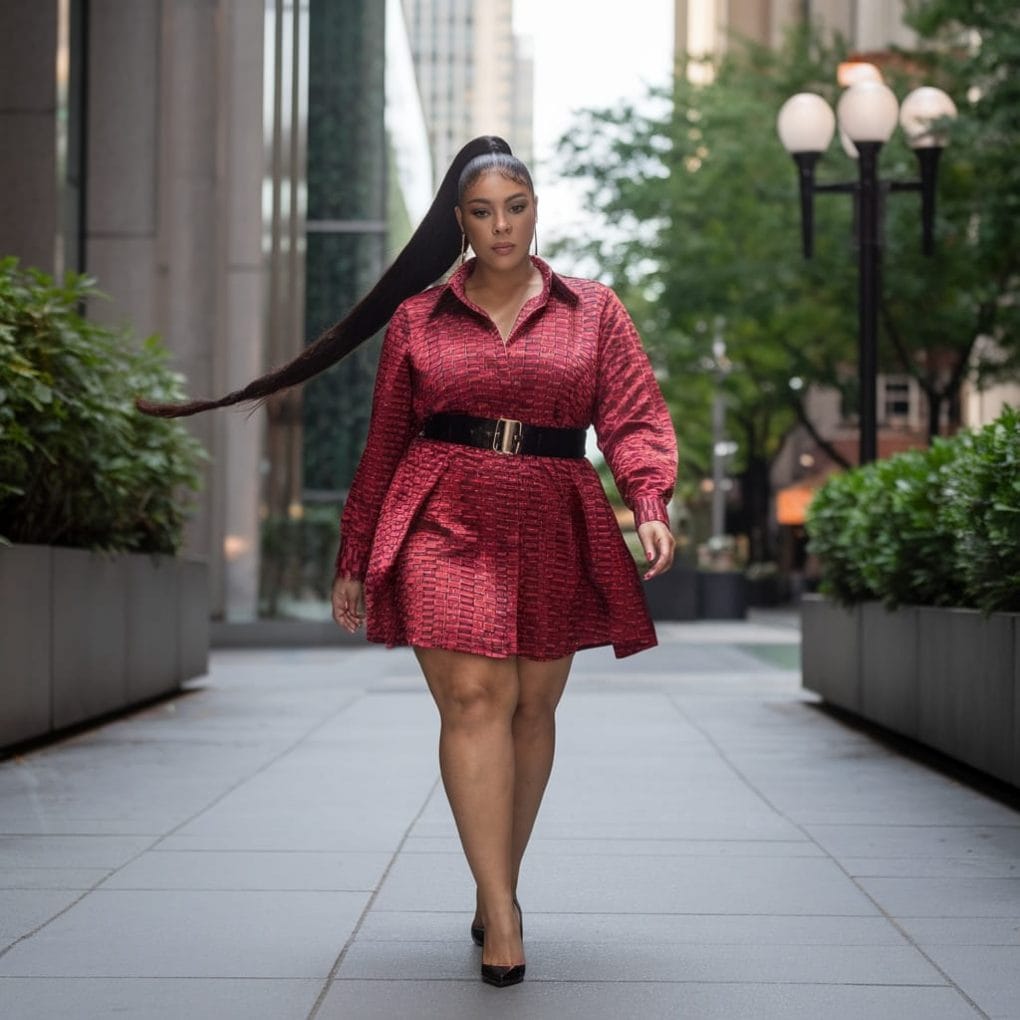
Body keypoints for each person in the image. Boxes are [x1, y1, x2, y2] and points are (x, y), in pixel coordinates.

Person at [139, 136, 677, 988]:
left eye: (516, 208)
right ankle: (503, 917)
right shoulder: (419, 320)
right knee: (474, 700)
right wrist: (355, 552)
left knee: (531, 711)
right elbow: (385, 440)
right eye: (482, 212)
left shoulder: (594, 310)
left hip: (553, 514)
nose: (502, 226)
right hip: (443, 513)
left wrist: (648, 500)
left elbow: (634, 416)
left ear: (536, 210)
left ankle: (496, 883)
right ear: (459, 222)